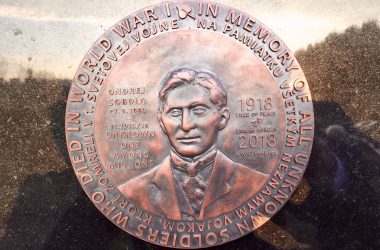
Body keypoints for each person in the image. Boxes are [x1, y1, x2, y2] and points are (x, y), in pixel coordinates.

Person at [118, 68, 268, 220]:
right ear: (161, 122)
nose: (186, 125)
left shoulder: (259, 185)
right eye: (175, 112)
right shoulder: (130, 193)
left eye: (198, 110)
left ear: (222, 118)